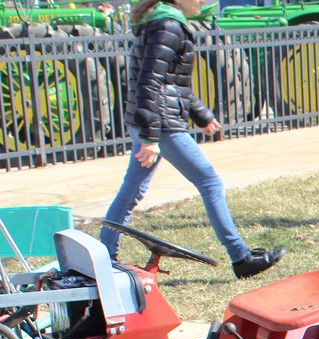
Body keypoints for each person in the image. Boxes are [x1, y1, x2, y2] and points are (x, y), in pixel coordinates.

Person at [99, 0, 285, 279]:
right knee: (209, 182)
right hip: (161, 125)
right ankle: (240, 257)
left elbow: (173, 82)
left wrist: (201, 115)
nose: (204, 1)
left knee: (132, 190)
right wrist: (150, 137)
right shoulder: (168, 25)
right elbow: (149, 81)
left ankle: (103, 256)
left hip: (155, 121)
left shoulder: (163, 21)